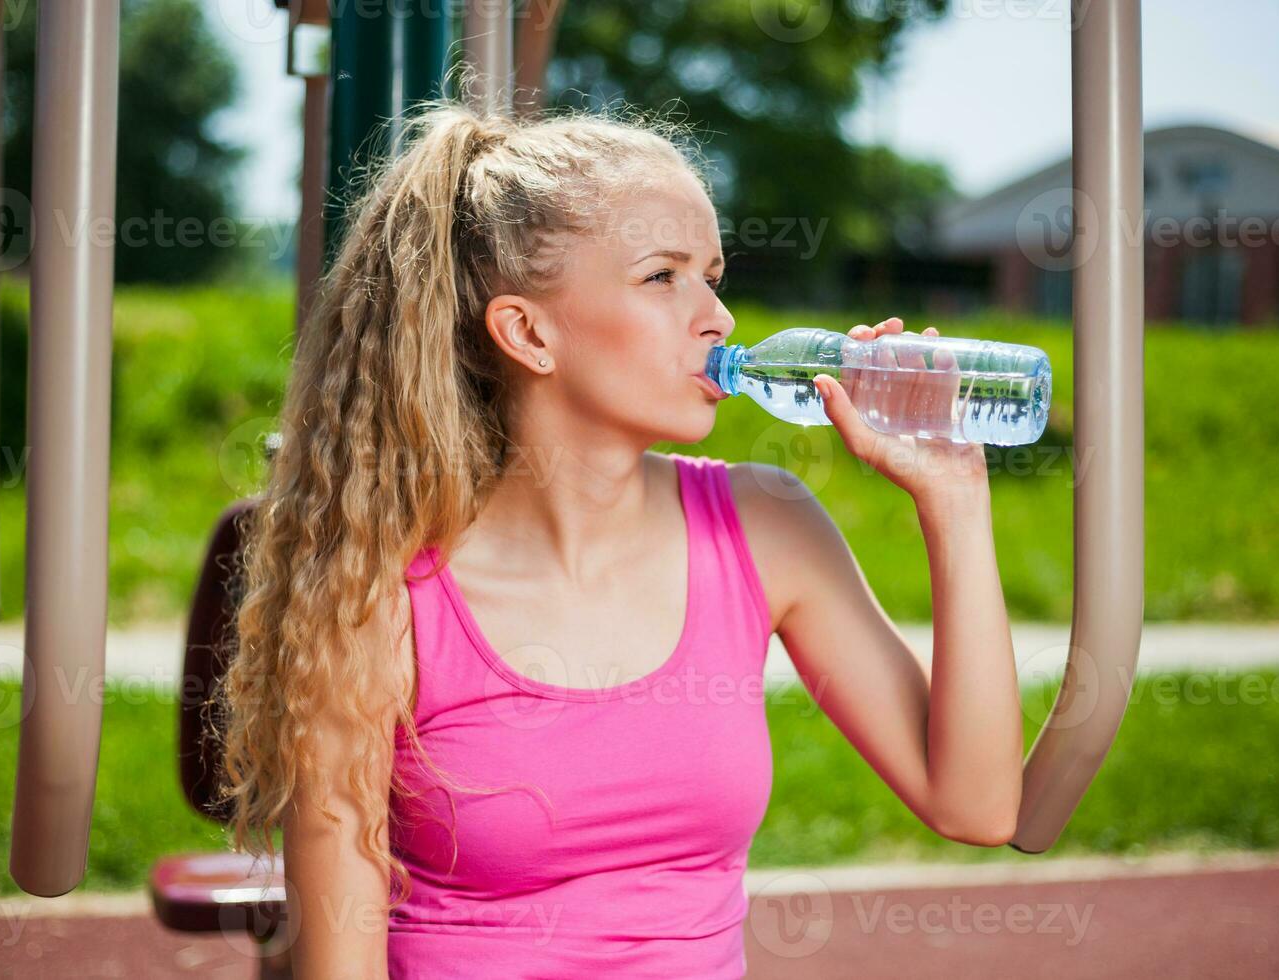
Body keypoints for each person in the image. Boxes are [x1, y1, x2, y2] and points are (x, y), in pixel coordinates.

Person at [219, 98, 1023, 980]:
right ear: (528, 331)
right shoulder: (381, 589)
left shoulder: (766, 527)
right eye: (662, 277)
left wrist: (955, 497)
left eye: (711, 275)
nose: (716, 316)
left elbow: (977, 804)